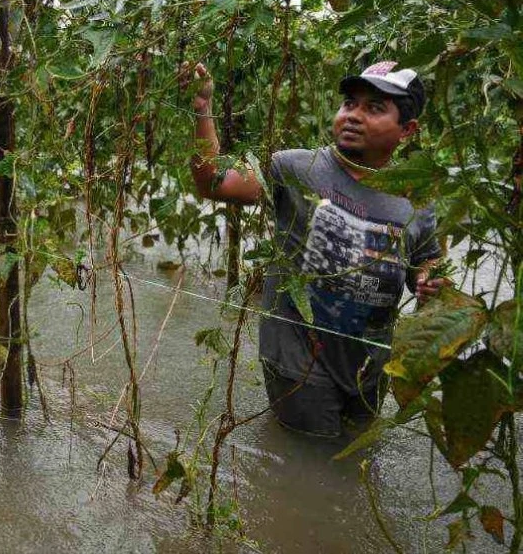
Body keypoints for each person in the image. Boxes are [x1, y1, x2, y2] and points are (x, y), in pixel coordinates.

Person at [188, 60, 446, 437]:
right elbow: (213, 183)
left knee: (352, 463)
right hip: (298, 360)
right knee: (310, 458)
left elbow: (426, 260)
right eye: (349, 104)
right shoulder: (296, 167)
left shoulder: (417, 199)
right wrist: (202, 111)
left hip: (370, 364)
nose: (354, 116)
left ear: (407, 129)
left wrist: (430, 280)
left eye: (374, 108)